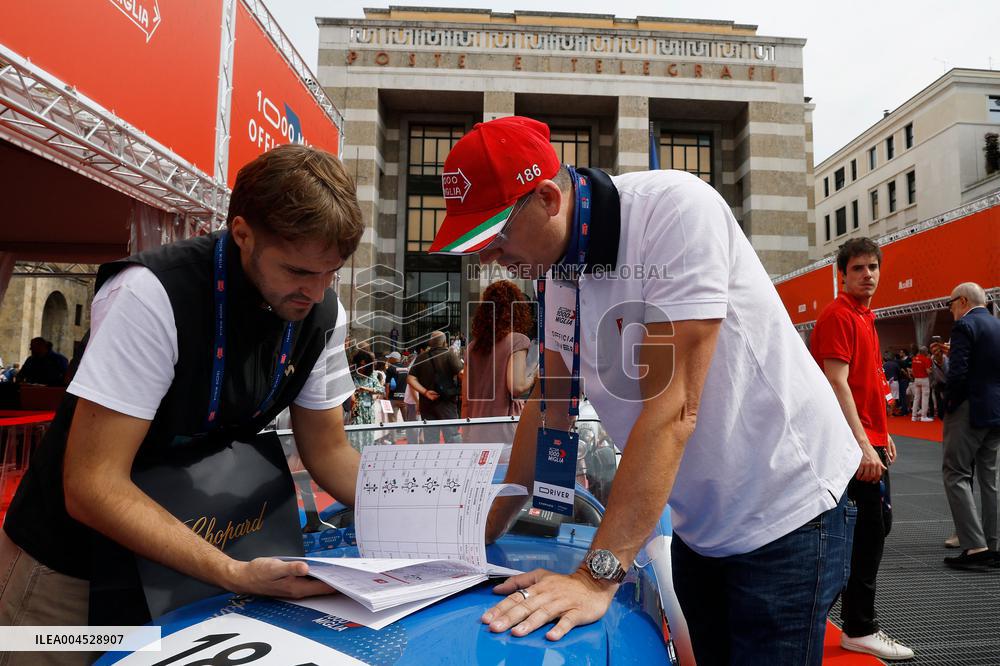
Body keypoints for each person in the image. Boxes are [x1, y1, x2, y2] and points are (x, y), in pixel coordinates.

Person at [427, 116, 860, 663]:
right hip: (701, 521)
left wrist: (595, 576)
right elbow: (549, 399)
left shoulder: (674, 213)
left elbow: (674, 407)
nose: (487, 256)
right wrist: (486, 530)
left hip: (785, 506)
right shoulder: (559, 271)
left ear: (546, 199)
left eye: (493, 235)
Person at [0, 144, 365, 651]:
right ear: (242, 234)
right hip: (70, 573)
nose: (317, 291)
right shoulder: (152, 294)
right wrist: (231, 572)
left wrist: (437, 515)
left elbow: (329, 451)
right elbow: (91, 484)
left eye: (332, 272)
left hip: (192, 562)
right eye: (299, 272)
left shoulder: (322, 313)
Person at [810, 238, 914, 660]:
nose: (867, 274)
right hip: (853, 445)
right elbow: (835, 384)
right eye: (858, 268)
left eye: (873, 267)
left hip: (870, 440)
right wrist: (861, 445)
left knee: (873, 529)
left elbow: (867, 384)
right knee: (864, 532)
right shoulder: (838, 316)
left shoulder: (865, 317)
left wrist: (882, 433)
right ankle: (859, 626)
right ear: (842, 274)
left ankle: (845, 617)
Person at [940, 282, 1000, 571]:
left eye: (951, 303)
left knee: (956, 473)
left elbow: (958, 372)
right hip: (995, 411)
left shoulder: (964, 326)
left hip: (969, 410)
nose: (950, 308)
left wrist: (949, 404)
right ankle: (994, 543)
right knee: (990, 479)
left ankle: (975, 545)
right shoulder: (997, 326)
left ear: (962, 301)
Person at [462, 280, 536, 449]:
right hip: (506, 434)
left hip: (476, 433)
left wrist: (466, 434)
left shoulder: (473, 347)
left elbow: (466, 399)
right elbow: (517, 386)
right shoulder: (517, 340)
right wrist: (535, 375)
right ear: (516, 310)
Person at [407, 331, 462, 444]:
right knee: (452, 436)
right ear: (444, 342)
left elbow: (410, 379)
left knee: (430, 439)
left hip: (427, 404)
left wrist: (425, 392)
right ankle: (453, 461)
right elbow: (462, 373)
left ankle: (433, 461)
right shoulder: (449, 354)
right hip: (447, 403)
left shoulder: (421, 358)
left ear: (430, 343)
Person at [910, 345, 933, 422]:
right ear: (925, 352)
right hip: (924, 379)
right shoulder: (926, 359)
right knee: (925, 397)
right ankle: (924, 416)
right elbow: (928, 371)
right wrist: (932, 371)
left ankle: (914, 416)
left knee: (916, 397)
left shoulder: (914, 359)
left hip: (916, 379)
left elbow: (912, 371)